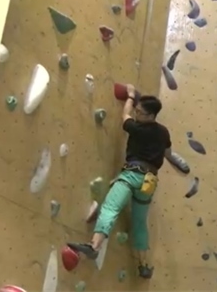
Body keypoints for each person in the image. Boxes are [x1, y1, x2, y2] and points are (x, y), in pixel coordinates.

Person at [67, 84, 171, 279]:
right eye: (137, 111)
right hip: (149, 182)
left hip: (131, 175)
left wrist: (130, 97)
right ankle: (144, 266)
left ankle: (94, 246)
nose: (137, 114)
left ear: (151, 116)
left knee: (110, 207)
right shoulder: (164, 132)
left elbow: (125, 116)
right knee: (139, 223)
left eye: (140, 112)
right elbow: (168, 153)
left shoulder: (137, 128)